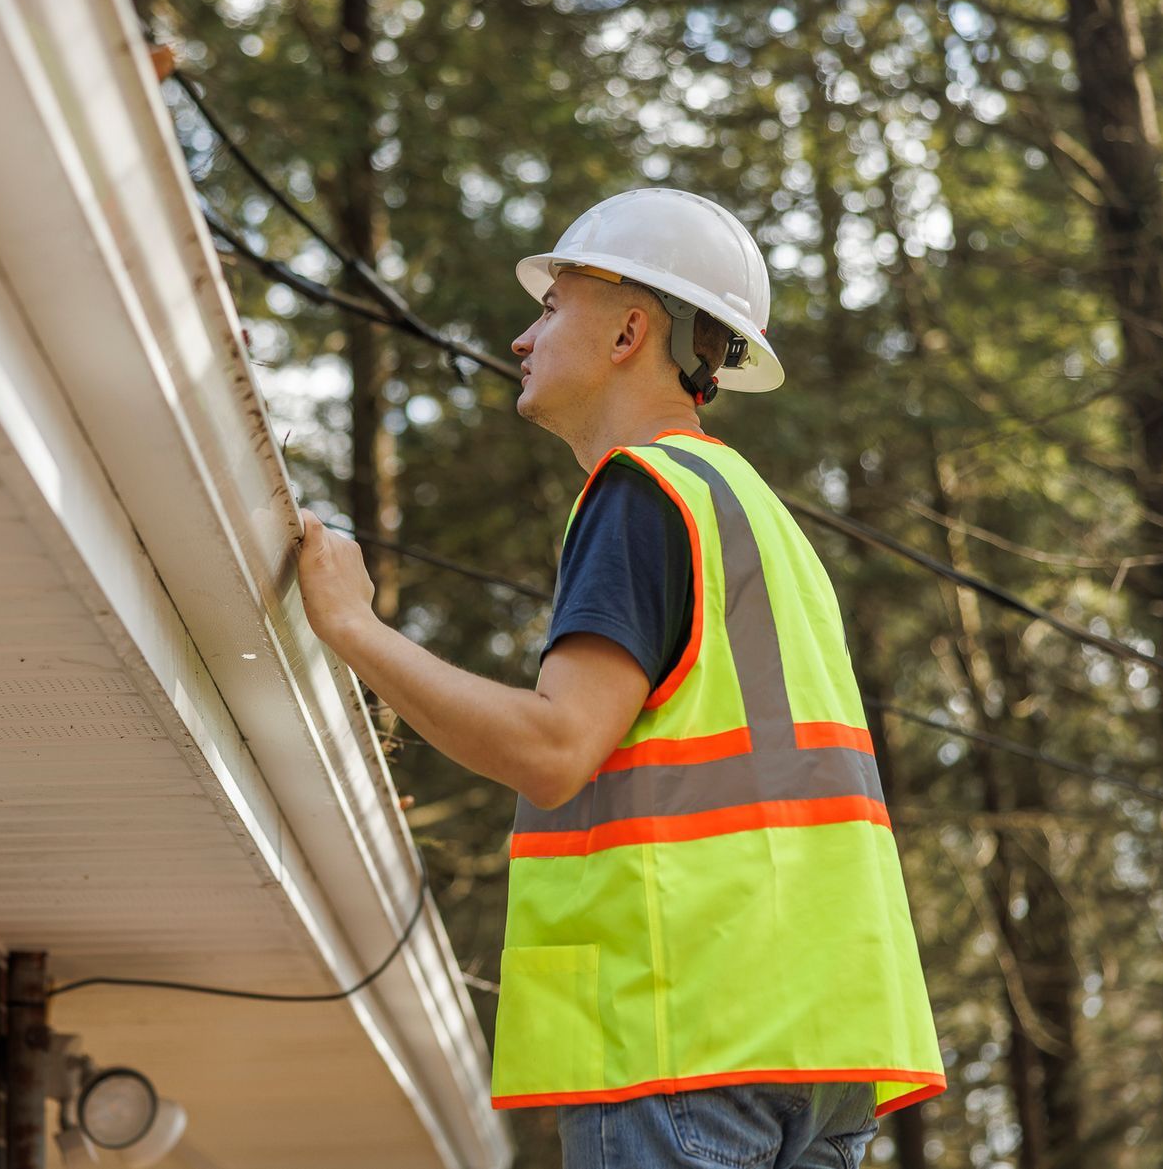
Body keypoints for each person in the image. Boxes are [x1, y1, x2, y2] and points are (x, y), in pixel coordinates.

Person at [294, 189, 944, 1169]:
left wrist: (351, 628)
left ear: (630, 331)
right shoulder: (756, 517)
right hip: (820, 1042)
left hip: (677, 1030)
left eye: (551, 307)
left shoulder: (643, 492)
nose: (522, 337)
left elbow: (555, 750)